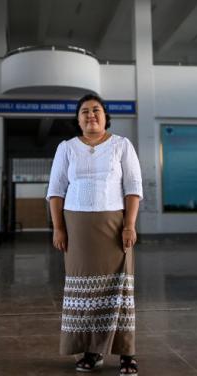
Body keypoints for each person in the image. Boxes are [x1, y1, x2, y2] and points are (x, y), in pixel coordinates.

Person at [47, 93, 143, 374]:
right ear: (78, 119)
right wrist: (59, 227)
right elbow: (55, 191)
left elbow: (133, 188)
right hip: (77, 227)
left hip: (114, 226)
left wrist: (129, 224)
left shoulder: (122, 145)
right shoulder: (66, 148)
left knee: (119, 290)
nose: (91, 115)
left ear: (105, 117)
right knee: (84, 294)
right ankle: (91, 352)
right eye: (85, 111)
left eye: (96, 110)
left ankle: (127, 354)